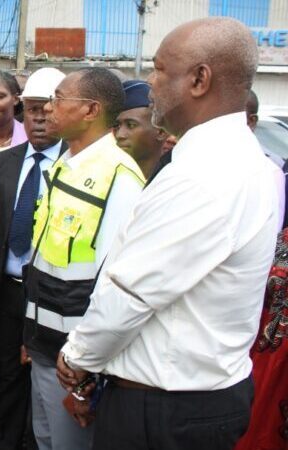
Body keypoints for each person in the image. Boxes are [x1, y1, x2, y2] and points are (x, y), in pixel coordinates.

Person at [55, 17, 282, 450]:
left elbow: (132, 292)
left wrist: (77, 357)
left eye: (159, 69)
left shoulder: (206, 173)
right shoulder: (232, 159)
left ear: (199, 79)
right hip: (186, 402)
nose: (149, 82)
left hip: (166, 413)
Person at [25, 67, 144, 450]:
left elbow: (117, 285)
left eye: (59, 99)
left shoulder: (119, 179)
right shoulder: (66, 164)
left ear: (91, 110)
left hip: (74, 361)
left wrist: (86, 370)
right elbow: (46, 260)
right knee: (45, 439)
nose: (48, 108)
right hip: (44, 343)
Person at [0, 67, 67, 449]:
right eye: (33, 110)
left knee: (48, 379)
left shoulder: (75, 166)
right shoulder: (3, 163)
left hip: (52, 295)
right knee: (10, 373)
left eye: (47, 110)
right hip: (8, 292)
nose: (39, 119)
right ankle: (8, 442)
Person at [113, 80, 169, 179]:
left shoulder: (175, 179)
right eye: (117, 126)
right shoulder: (104, 178)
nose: (119, 135)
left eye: (131, 125)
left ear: (161, 131)